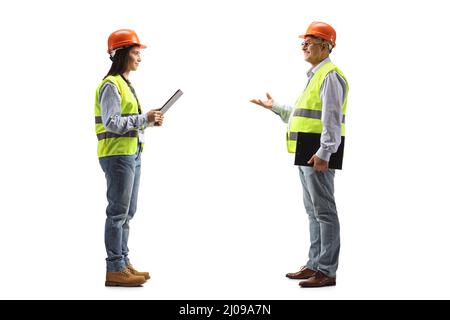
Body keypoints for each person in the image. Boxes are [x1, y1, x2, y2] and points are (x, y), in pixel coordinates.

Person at [250, 21, 348, 288]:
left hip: (318, 150)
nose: (304, 45)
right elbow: (304, 115)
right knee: (313, 210)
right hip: (308, 147)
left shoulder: (329, 76)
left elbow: (330, 120)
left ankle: (326, 270)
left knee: (324, 211)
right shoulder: (315, 75)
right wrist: (277, 108)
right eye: (303, 41)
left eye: (310, 40)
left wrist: (325, 152)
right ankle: (315, 264)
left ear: (326, 46)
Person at [94, 29, 164, 287]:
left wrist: (148, 122)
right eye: (135, 53)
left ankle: (123, 262)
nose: (139, 58)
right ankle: (114, 268)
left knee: (128, 211)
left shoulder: (126, 84)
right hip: (117, 155)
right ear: (121, 54)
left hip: (131, 153)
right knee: (117, 213)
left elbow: (126, 122)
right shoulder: (111, 85)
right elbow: (112, 123)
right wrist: (143, 118)